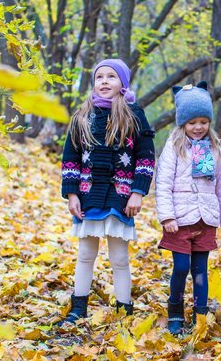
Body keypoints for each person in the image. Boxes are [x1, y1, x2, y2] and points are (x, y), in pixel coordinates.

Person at [59, 59, 155, 326]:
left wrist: (138, 192)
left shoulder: (134, 115)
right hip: (88, 194)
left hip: (120, 195)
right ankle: (78, 308)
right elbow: (71, 157)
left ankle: (124, 312)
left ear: (122, 83)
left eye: (111, 76)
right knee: (85, 254)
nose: (104, 81)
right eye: (99, 76)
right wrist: (72, 193)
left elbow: (146, 158)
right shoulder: (82, 116)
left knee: (120, 258)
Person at [155, 81, 221, 335]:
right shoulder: (174, 146)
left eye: (203, 121)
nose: (198, 127)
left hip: (206, 218)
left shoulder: (214, 148)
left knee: (200, 271)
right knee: (181, 268)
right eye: (192, 122)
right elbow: (163, 183)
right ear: (183, 123)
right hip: (179, 219)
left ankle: (200, 314)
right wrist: (167, 215)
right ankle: (175, 313)